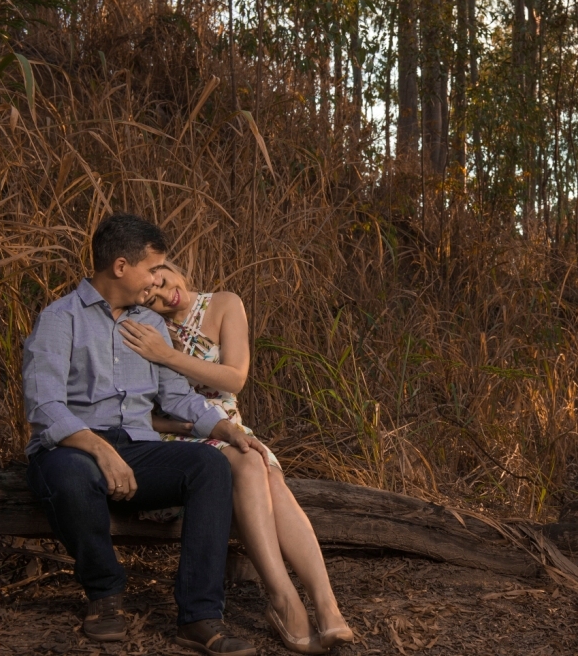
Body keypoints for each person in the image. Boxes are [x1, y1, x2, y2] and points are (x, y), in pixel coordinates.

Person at [23, 213, 261, 656]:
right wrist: (99, 449)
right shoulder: (60, 319)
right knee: (71, 474)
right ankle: (105, 595)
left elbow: (176, 397)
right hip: (72, 449)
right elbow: (44, 407)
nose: (157, 279)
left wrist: (226, 429)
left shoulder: (148, 325)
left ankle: (199, 616)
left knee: (210, 465)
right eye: (152, 268)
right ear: (120, 266)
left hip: (137, 449)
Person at [116, 262, 354, 654]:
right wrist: (158, 350)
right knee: (249, 464)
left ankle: (326, 605)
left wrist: (167, 356)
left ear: (172, 267)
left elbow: (234, 378)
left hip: (229, 425)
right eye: (152, 296)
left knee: (266, 473)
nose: (164, 293)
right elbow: (141, 407)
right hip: (177, 436)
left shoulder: (225, 304)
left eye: (162, 280)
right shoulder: (146, 327)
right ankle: (284, 600)